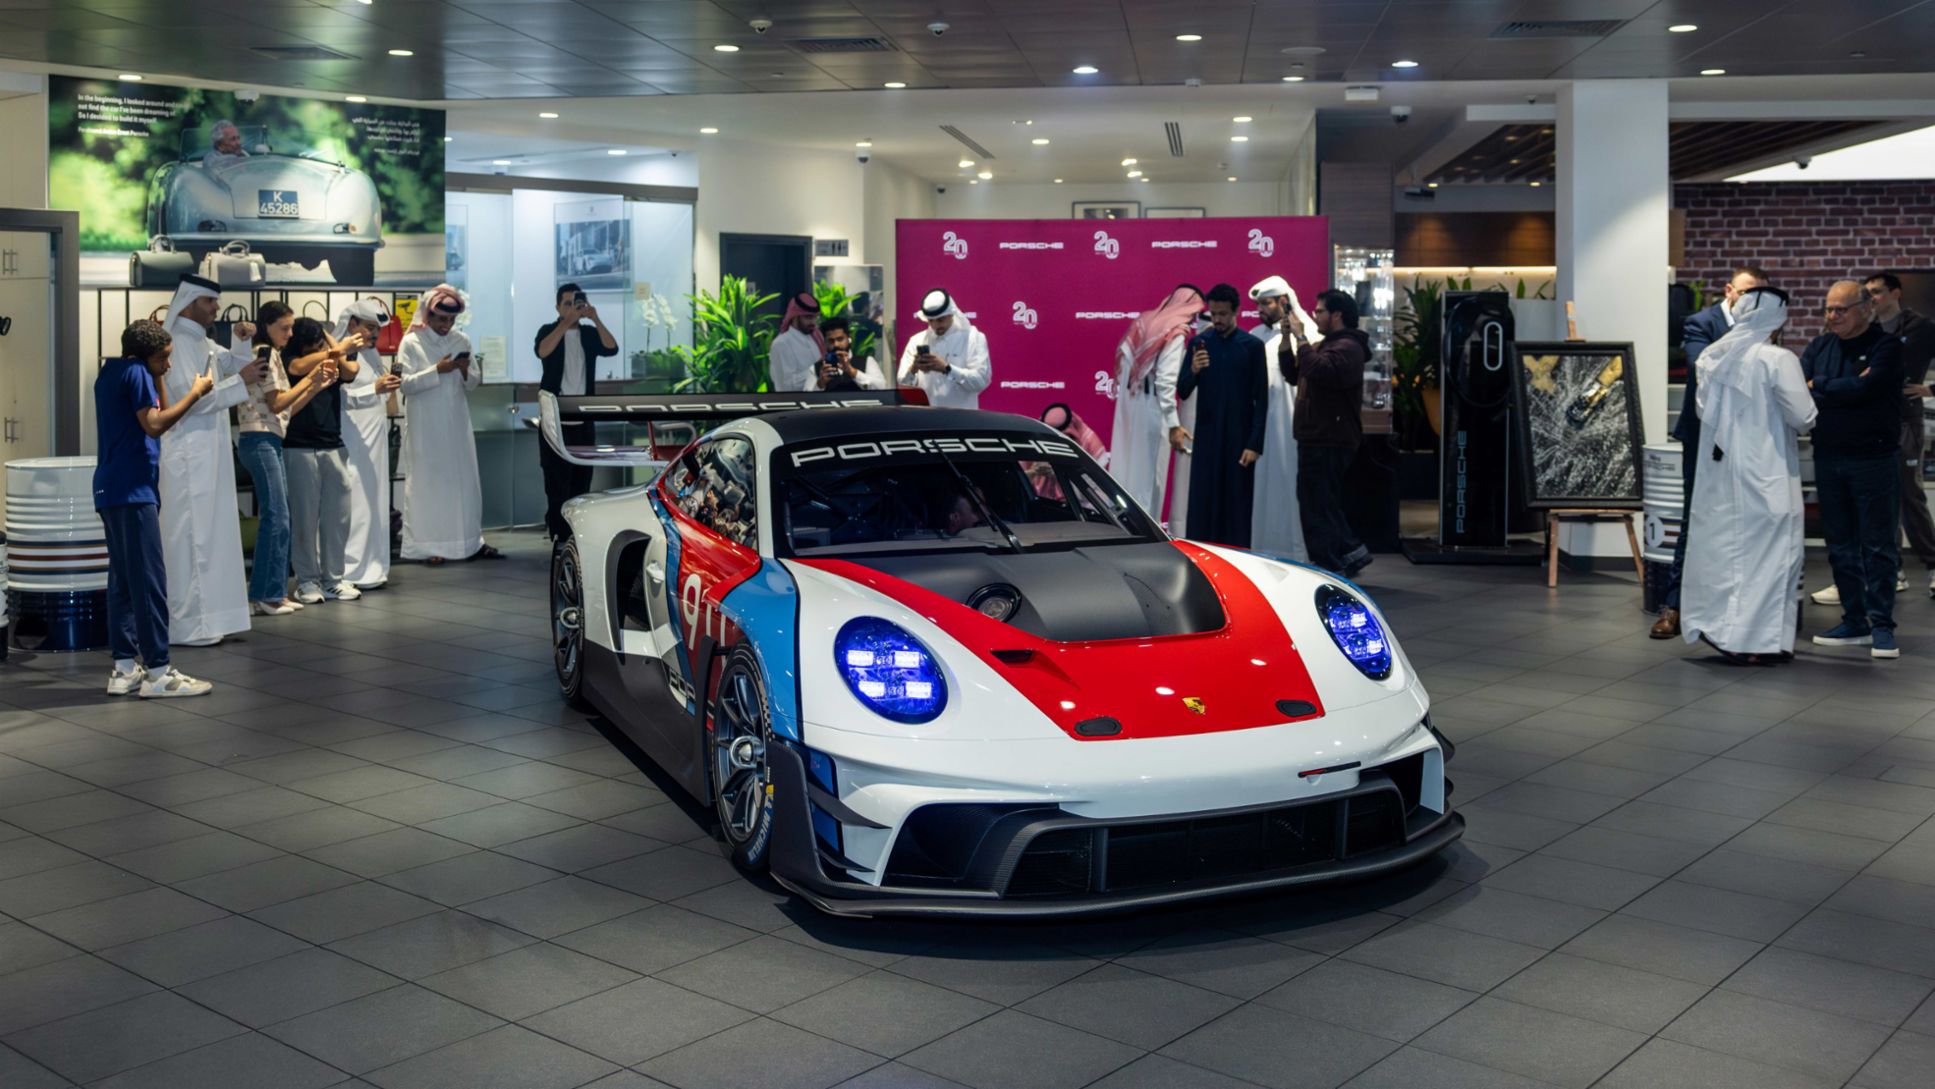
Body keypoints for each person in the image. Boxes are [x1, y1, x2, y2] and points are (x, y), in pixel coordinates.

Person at [1681, 286, 1816, 665]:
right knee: (1773, 559)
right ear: (1778, 318)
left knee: (1729, 555)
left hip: (1723, 475)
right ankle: (1758, 643)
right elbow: (1804, 417)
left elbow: (1704, 409)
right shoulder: (1778, 359)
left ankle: (1724, 630)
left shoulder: (1712, 356)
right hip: (1768, 472)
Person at [95, 320, 216, 698]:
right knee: (148, 581)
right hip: (133, 491)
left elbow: (152, 407)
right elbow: (154, 424)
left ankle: (124, 668)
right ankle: (160, 673)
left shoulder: (113, 372)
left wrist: (157, 371)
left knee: (123, 581)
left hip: (111, 488)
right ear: (144, 357)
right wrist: (195, 393)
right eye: (163, 359)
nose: (167, 365)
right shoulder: (137, 375)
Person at [1655, 265, 1769, 638]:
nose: (1753, 300)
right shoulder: (1701, 322)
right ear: (1729, 290)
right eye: (1747, 291)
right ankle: (1673, 606)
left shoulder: (1762, 328)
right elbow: (1700, 366)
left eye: (1759, 294)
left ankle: (1727, 611)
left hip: (1746, 434)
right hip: (1703, 435)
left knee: (1740, 518)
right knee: (1694, 515)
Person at [1804, 280, 1906, 659]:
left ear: (1865, 308)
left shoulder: (1887, 347)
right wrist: (1844, 387)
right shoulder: (1819, 346)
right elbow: (1803, 389)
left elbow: (1873, 388)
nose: (1833, 316)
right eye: (1828, 309)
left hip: (1874, 459)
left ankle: (1882, 626)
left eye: (1841, 309)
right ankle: (1854, 620)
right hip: (1829, 457)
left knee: (1878, 545)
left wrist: (1825, 385)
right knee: (1840, 544)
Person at [159, 274, 263, 646]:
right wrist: (242, 381)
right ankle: (190, 625)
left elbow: (231, 364)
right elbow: (194, 400)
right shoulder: (177, 343)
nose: (216, 309)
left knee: (211, 532)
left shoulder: (199, 341)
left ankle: (212, 619)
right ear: (188, 303)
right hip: (188, 456)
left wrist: (241, 338)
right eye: (210, 303)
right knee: (193, 535)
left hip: (208, 453)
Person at [236, 301, 336, 616]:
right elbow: (278, 403)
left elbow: (284, 410)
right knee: (276, 517)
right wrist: (311, 380)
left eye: (291, 328)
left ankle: (273, 592)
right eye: (285, 327)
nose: (289, 334)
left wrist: (317, 382)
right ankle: (266, 594)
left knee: (279, 516)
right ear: (267, 325)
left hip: (267, 438)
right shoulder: (264, 354)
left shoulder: (270, 354)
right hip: (260, 439)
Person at [399, 284, 495, 565]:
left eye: (451, 320)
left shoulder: (461, 341)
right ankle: (427, 545)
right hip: (425, 426)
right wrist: (436, 371)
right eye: (441, 319)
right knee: (429, 484)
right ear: (428, 316)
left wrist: (465, 371)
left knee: (461, 482)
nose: (446, 325)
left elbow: (475, 383)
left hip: (456, 424)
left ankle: (465, 542)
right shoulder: (411, 343)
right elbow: (404, 385)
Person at [1283, 289, 1371, 576]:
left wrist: (1301, 338)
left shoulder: (1348, 347)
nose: (1315, 315)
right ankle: (1348, 555)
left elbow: (1321, 371)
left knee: (1318, 506)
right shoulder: (1327, 345)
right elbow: (1294, 374)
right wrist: (1287, 338)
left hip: (1329, 438)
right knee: (1319, 503)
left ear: (1337, 315)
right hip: (1317, 436)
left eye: (1320, 311)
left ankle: (1331, 564)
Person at [1175, 283, 1267, 547]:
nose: (1217, 320)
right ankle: (1201, 560)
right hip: (1207, 437)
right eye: (1213, 314)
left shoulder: (1252, 347)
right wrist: (1193, 369)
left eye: (1223, 314)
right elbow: (1182, 390)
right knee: (1204, 503)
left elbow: (1261, 400)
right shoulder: (1199, 343)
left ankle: (1238, 562)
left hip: (1240, 441)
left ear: (1236, 311)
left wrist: (1254, 443)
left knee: (1237, 506)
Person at [282, 317, 365, 603]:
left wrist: (330, 338)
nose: (320, 350)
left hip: (333, 444)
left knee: (337, 518)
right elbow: (297, 367)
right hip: (298, 447)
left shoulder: (332, 353)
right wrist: (334, 348)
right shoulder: (289, 357)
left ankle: (333, 579)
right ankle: (306, 581)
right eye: (313, 346)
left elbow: (351, 371)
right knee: (304, 520)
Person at [1866, 273, 1935, 596]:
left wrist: (1930, 389)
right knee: (1881, 498)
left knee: (1910, 495)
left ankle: (1933, 564)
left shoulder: (1921, 327)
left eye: (1877, 292)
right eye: (1868, 293)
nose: (1873, 298)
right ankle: (1892, 570)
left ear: (1895, 293)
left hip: (1907, 420)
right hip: (1874, 420)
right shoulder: (1868, 330)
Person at [1109, 284, 1202, 521]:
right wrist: (1173, 424)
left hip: (1129, 407)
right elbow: (1166, 381)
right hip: (1153, 410)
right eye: (1194, 312)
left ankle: (1123, 527)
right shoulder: (1175, 331)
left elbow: (1123, 366)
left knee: (1127, 472)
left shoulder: (1144, 321)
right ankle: (1147, 534)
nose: (1193, 319)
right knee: (1151, 478)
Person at [534, 283, 618, 539]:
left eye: (577, 303)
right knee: (556, 478)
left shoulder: (589, 334)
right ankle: (558, 532)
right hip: (555, 419)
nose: (572, 308)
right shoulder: (549, 331)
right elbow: (542, 351)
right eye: (567, 304)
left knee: (582, 478)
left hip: (583, 416)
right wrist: (564, 323)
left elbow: (612, 347)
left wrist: (595, 317)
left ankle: (578, 532)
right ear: (558, 307)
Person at [334, 298, 404, 589]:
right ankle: (348, 570)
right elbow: (338, 398)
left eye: (378, 329)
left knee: (374, 502)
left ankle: (371, 566)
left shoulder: (372, 353)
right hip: (351, 436)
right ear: (352, 324)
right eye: (370, 327)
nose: (375, 335)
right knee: (355, 502)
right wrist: (373, 389)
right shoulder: (339, 351)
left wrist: (384, 386)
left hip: (374, 438)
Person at [1247, 275, 1313, 562]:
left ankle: (1297, 551)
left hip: (1291, 426)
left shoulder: (1308, 332)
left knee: (1290, 485)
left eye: (1266, 303)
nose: (1260, 309)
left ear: (1283, 302)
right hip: (1261, 427)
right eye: (1258, 304)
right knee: (1261, 489)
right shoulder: (1254, 336)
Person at [897, 289, 992, 409]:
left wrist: (947, 368)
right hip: (926, 421)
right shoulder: (916, 340)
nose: (936, 325)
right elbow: (903, 385)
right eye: (931, 320)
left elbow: (980, 382)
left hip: (963, 422)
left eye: (940, 320)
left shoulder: (972, 337)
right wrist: (914, 368)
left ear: (951, 314)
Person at [1035, 403, 1107, 500]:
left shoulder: (1090, 444)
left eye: (1067, 436)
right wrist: (1034, 473)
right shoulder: (1037, 439)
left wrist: (1064, 472)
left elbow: (1099, 490)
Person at [768, 292, 828, 392]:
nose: (813, 322)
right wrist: (816, 370)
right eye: (808, 317)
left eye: (815, 317)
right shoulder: (781, 344)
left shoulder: (816, 336)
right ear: (795, 317)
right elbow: (784, 387)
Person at [815, 317, 887, 390]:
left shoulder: (867, 361)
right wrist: (821, 383)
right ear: (825, 343)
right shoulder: (816, 368)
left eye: (840, 339)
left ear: (849, 338)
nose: (836, 344)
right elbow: (806, 396)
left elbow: (881, 387)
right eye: (831, 341)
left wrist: (852, 372)